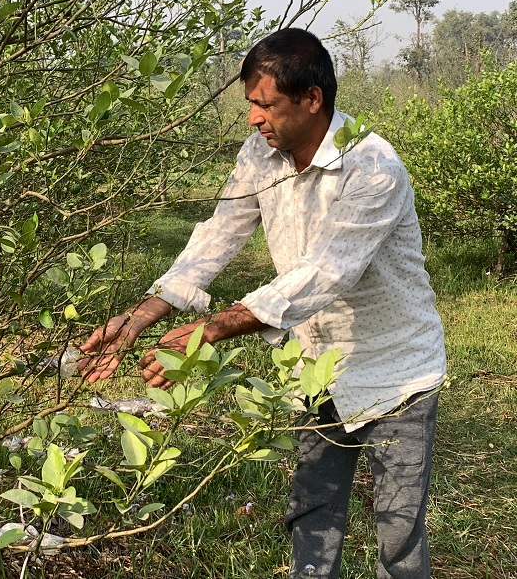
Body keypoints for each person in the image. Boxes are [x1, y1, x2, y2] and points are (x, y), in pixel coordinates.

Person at [76, 28, 446, 579]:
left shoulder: (373, 168)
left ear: (312, 99)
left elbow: (325, 273)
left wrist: (214, 327)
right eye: (251, 103)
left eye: (265, 105)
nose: (253, 119)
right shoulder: (261, 154)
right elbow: (218, 233)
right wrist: (141, 315)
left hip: (396, 373)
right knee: (313, 513)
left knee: (398, 532)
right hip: (316, 368)